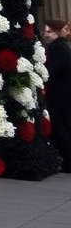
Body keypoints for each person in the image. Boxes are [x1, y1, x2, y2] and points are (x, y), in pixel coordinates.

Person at [42, 18, 71, 173]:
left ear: (58, 32)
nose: (46, 34)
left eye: (50, 31)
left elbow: (54, 69)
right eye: (45, 31)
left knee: (62, 128)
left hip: (60, 96)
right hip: (60, 96)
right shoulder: (58, 47)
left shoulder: (59, 48)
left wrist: (42, 70)